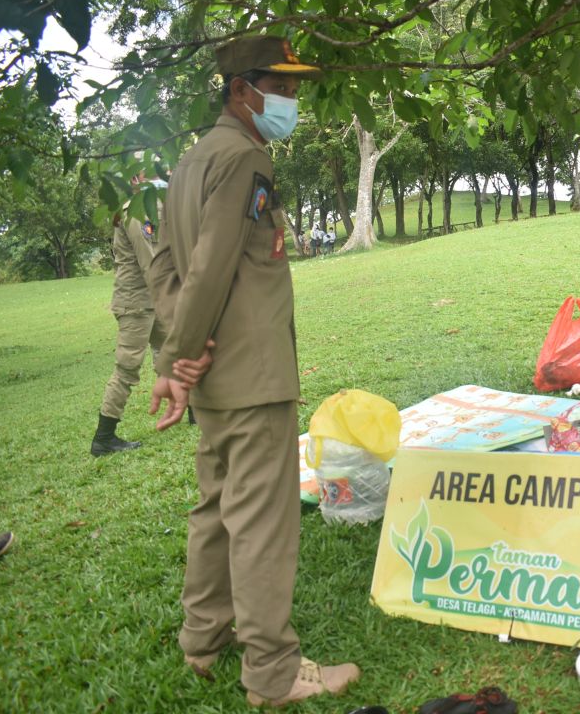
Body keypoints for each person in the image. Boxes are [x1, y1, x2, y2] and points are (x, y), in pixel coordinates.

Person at [147, 35, 359, 706]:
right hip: (249, 369)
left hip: (213, 375)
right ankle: (271, 673)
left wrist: (175, 359)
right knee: (263, 519)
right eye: (282, 88)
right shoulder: (244, 157)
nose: (291, 101)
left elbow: (164, 268)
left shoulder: (189, 162)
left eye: (294, 90)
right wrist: (186, 353)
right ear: (242, 90)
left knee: (214, 508)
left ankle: (202, 641)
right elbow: (208, 267)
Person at [91, 180, 172, 457]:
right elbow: (150, 264)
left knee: (176, 349)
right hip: (137, 303)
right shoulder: (136, 212)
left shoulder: (154, 204)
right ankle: (104, 438)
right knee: (127, 368)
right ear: (137, 178)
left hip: (152, 300)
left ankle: (196, 410)